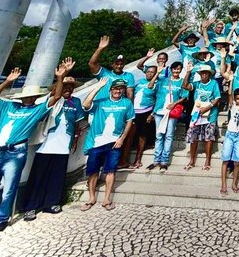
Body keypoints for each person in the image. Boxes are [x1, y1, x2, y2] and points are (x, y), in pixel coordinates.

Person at [0, 63, 68, 237]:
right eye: (26, 96)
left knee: (9, 189)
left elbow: (56, 96)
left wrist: (59, 78)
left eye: (31, 96)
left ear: (35, 97)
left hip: (16, 152)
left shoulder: (36, 110)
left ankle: (1, 219)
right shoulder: (8, 106)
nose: (28, 98)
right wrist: (7, 81)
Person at [22, 67, 85, 221]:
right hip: (46, 145)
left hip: (63, 145)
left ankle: (51, 203)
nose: (68, 90)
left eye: (71, 87)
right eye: (65, 87)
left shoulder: (75, 102)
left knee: (57, 176)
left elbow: (77, 124)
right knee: (39, 176)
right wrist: (60, 77)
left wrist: (75, 140)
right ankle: (31, 206)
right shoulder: (51, 99)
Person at [80, 78, 135, 212]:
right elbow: (86, 104)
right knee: (93, 171)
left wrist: (122, 138)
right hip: (96, 142)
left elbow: (129, 121)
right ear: (110, 89)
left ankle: (106, 199)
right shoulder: (101, 102)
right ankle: (91, 198)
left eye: (121, 88)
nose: (118, 91)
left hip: (114, 142)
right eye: (115, 88)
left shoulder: (127, 103)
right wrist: (98, 87)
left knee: (111, 170)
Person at [147, 61, 187, 172]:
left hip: (171, 112)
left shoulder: (182, 82)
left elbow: (184, 96)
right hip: (159, 111)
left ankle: (164, 161)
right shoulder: (163, 80)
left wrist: (175, 103)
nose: (176, 71)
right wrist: (157, 73)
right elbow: (150, 86)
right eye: (174, 69)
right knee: (159, 136)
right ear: (171, 70)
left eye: (178, 69)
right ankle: (156, 160)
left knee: (169, 136)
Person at [182, 61, 221, 171]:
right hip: (197, 115)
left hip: (210, 114)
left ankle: (207, 161)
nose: (204, 75)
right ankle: (192, 160)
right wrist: (188, 72)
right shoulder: (197, 84)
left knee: (208, 138)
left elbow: (217, 98)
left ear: (209, 74)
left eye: (206, 73)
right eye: (202, 73)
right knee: (194, 138)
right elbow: (185, 86)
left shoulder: (213, 83)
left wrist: (207, 107)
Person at [88, 35, 135, 101]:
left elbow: (130, 93)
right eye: (117, 64)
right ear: (112, 64)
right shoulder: (104, 73)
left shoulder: (129, 76)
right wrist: (100, 48)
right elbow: (92, 63)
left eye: (121, 64)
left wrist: (130, 108)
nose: (119, 66)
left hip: (117, 107)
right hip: (100, 105)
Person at [130, 63, 160, 168]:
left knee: (142, 135)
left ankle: (138, 159)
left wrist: (152, 114)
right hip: (134, 111)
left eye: (152, 72)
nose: (149, 74)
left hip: (146, 111)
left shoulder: (157, 84)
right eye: (148, 71)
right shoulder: (140, 82)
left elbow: (158, 100)